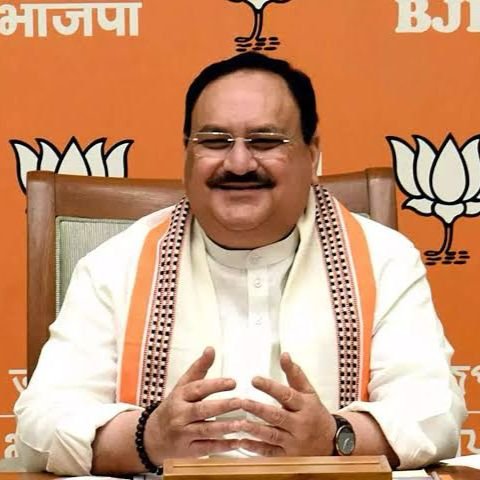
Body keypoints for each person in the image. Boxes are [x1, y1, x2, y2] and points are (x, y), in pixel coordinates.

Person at [15, 52, 466, 476]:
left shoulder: (384, 259)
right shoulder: (116, 266)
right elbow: (40, 425)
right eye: (214, 141)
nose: (238, 162)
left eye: (265, 141)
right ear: (187, 154)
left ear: (312, 154)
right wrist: (148, 438)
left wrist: (334, 438)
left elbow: (433, 412)